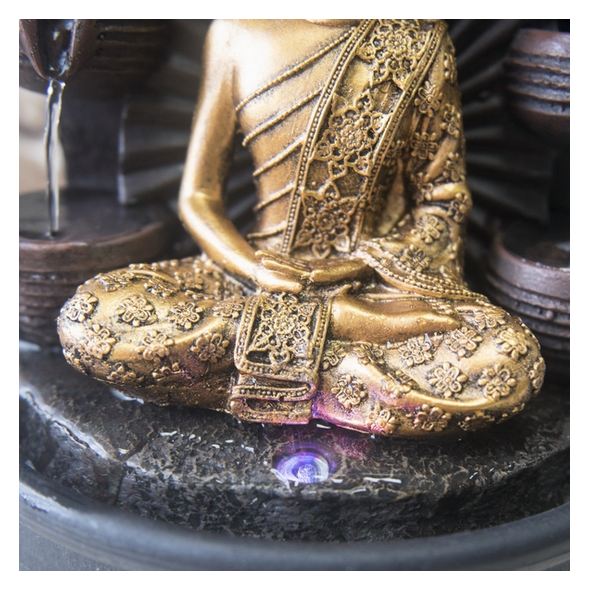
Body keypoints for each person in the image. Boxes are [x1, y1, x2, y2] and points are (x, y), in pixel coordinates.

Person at [58, 19, 544, 437]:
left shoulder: (416, 39)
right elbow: (199, 197)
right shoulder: (236, 29)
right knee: (90, 317)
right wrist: (256, 270)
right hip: (247, 276)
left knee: (508, 359)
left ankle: (243, 368)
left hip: (371, 286)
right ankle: (338, 360)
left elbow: (443, 200)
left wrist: (353, 268)